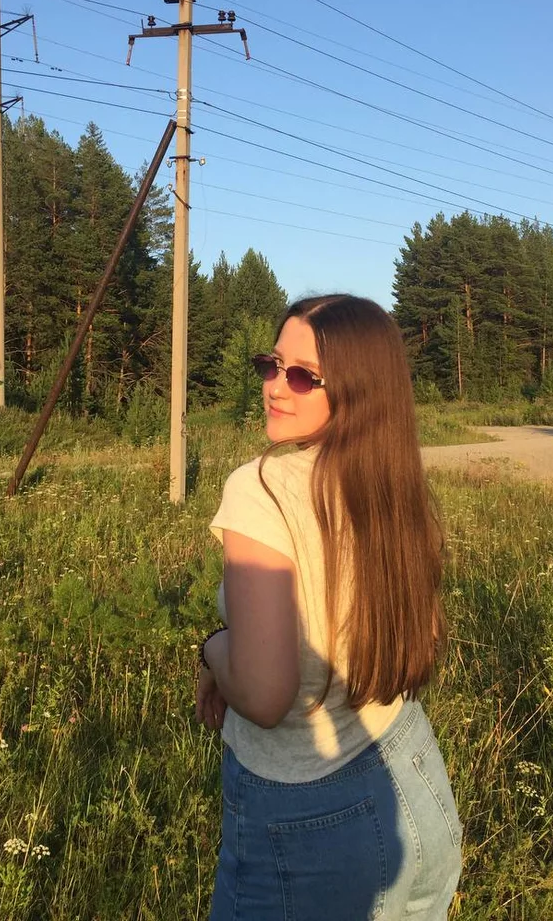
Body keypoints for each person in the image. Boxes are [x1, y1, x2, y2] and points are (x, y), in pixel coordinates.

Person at [196, 294, 461, 920]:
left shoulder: (261, 490)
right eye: (270, 365)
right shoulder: (389, 486)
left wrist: (211, 649)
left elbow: (264, 696)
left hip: (305, 824)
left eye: (302, 376)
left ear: (357, 391)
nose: (274, 386)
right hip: (415, 782)